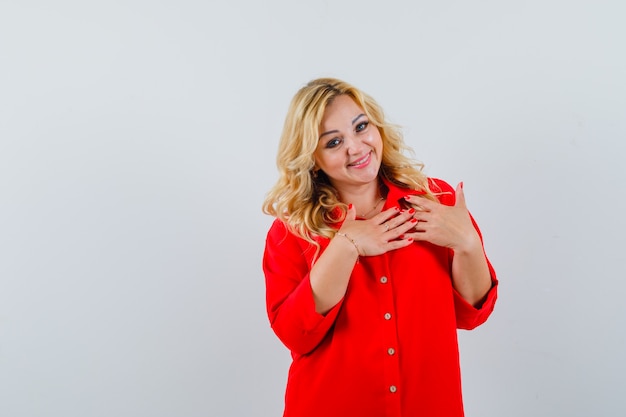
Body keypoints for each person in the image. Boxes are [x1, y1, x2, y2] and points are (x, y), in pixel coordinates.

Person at [261, 78, 498, 417]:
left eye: (361, 127)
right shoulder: (292, 231)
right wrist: (346, 245)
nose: (356, 147)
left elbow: (472, 313)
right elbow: (296, 336)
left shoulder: (435, 201)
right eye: (333, 142)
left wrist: (468, 245)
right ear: (312, 159)